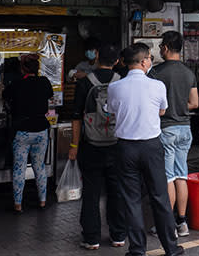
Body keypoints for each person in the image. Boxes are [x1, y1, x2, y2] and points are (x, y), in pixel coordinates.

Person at [108, 44, 184, 256]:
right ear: (143, 62)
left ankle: (137, 250)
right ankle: (171, 247)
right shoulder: (157, 85)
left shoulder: (115, 87)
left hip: (125, 148)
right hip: (151, 147)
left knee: (131, 200)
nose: (151, 61)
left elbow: (111, 111)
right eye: (150, 58)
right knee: (159, 197)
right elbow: (162, 110)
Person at [70, 43, 127, 250]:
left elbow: (76, 117)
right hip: (117, 145)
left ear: (96, 58)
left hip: (90, 146)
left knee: (91, 192)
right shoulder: (122, 83)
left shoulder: (85, 83)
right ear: (117, 62)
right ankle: (118, 235)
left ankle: (91, 238)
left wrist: (74, 145)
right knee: (116, 191)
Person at [149, 31, 198, 237]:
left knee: (167, 177)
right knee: (181, 175)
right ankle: (182, 222)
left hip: (166, 129)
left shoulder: (156, 72)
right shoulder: (188, 73)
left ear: (166, 48)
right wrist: (180, 108)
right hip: (185, 129)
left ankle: (167, 224)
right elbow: (195, 103)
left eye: (161, 47)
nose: (160, 50)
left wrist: (167, 109)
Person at [3, 54, 53, 213]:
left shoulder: (16, 84)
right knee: (40, 167)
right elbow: (50, 96)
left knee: (19, 168)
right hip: (41, 130)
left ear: (23, 68)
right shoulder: (44, 82)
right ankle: (43, 201)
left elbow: (5, 96)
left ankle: (18, 204)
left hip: (22, 131)